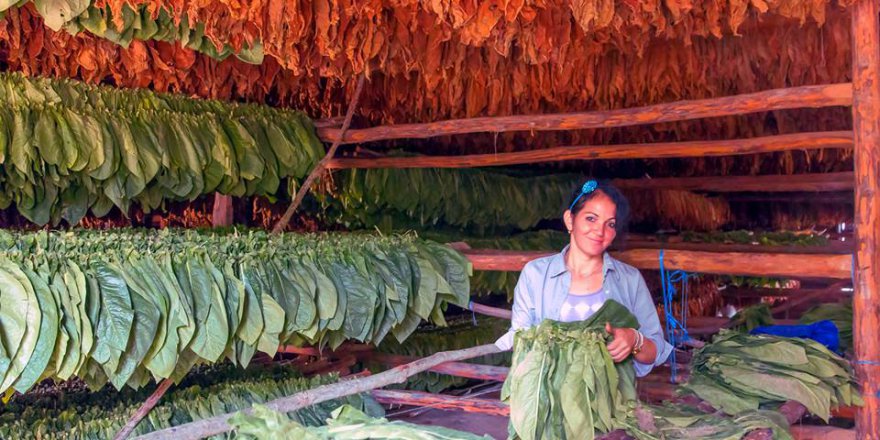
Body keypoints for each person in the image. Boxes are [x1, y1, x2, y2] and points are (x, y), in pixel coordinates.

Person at [496, 179, 672, 377]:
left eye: (610, 224)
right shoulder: (535, 275)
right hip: (549, 400)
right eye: (591, 218)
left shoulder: (629, 280)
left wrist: (635, 340)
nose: (600, 231)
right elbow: (521, 341)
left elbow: (654, 351)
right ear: (570, 220)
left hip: (611, 402)